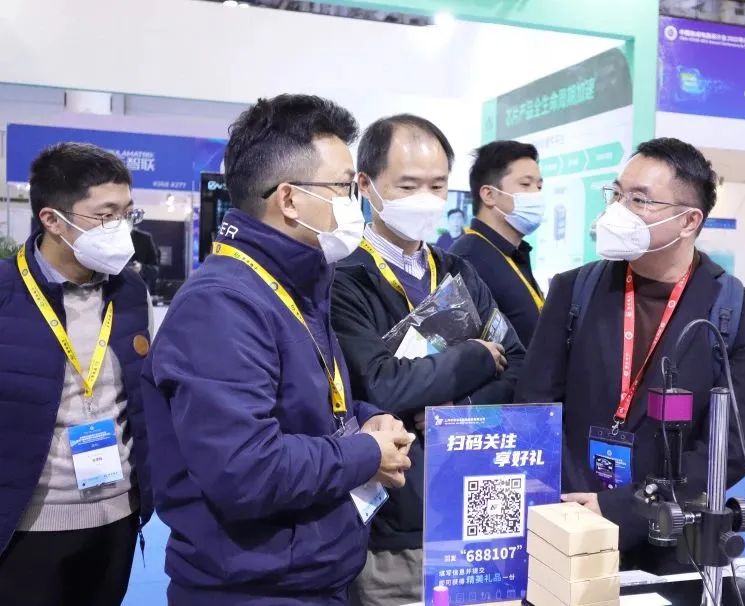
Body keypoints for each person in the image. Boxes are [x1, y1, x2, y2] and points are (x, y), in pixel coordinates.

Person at [141, 94, 414, 604]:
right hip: (253, 587)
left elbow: (303, 405)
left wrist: (367, 418)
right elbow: (245, 469)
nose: (353, 202)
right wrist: (364, 452)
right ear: (289, 199)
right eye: (342, 187)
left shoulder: (299, 283)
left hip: (308, 572)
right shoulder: (221, 305)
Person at [514, 138, 745, 574]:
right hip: (568, 524)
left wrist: (621, 509)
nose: (619, 210)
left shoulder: (742, 313)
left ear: (688, 221)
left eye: (639, 200)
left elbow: (727, 450)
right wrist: (574, 506)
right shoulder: (574, 290)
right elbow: (535, 406)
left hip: (673, 539)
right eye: (617, 194)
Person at [331, 114, 527, 605]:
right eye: (408, 185)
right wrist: (477, 356)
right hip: (395, 523)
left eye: (437, 185)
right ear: (366, 185)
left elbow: (519, 364)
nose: (425, 198)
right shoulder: (343, 279)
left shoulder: (458, 271)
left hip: (479, 509)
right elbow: (382, 385)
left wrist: (457, 410)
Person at [0, 143, 152, 606]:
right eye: (105, 216)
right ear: (52, 220)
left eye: (127, 213)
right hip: (27, 524)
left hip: (118, 515)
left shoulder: (130, 291)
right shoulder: (7, 294)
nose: (121, 228)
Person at [451, 140, 546, 347]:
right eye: (525, 184)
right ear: (489, 195)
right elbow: (462, 351)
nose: (536, 195)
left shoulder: (515, 252)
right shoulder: (466, 260)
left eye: (539, 186)